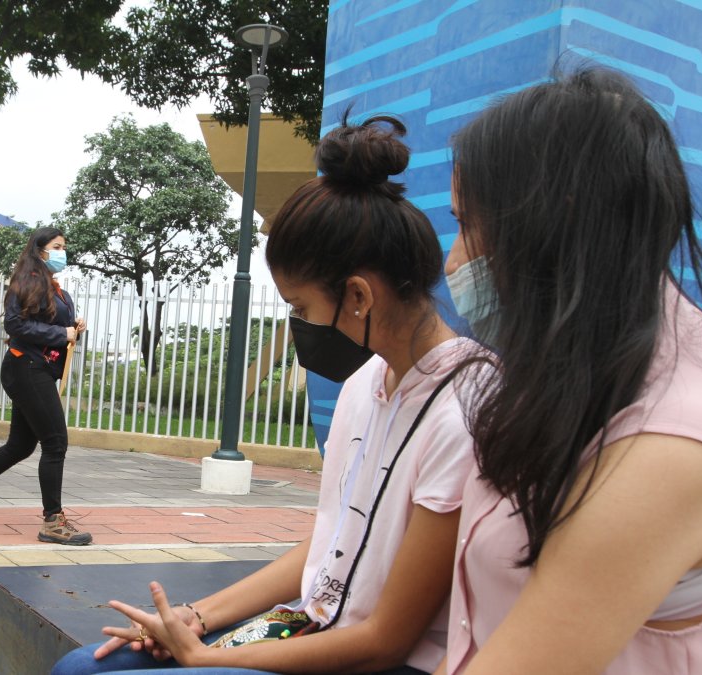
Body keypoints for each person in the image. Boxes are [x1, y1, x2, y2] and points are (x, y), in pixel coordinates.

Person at [52, 116, 480, 674]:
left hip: (381, 660)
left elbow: (385, 640)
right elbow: (332, 543)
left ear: (357, 297)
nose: (298, 324)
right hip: (313, 621)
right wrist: (195, 619)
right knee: (84, 668)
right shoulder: (363, 384)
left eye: (300, 308)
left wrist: (207, 660)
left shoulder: (464, 411)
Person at [438, 67, 702, 674]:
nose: (453, 260)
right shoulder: (580, 374)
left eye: (467, 225)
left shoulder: (672, 445)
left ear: (552, 222)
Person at [0, 227, 90, 544]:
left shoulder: (57, 290)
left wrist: (73, 329)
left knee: (20, 446)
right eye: (57, 246)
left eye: (64, 246)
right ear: (39, 250)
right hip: (27, 367)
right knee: (55, 442)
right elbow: (15, 324)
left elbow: (52, 329)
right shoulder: (27, 282)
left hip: (40, 369)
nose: (63, 252)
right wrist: (62, 333)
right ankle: (52, 521)